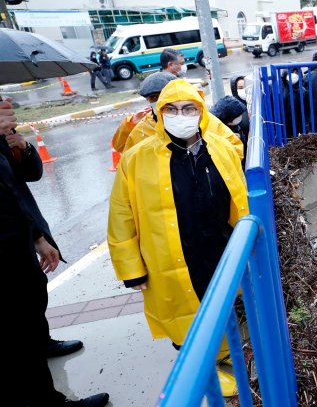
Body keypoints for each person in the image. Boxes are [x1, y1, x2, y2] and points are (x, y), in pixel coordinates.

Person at [107, 80, 248, 398]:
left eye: (188, 108)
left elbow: (238, 197)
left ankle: (222, 357)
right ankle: (201, 366)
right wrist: (132, 270)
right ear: (159, 112)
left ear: (200, 112)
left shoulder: (220, 148)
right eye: (170, 109)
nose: (179, 115)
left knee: (218, 301)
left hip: (216, 245)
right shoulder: (137, 158)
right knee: (182, 311)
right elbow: (121, 216)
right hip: (168, 254)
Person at [2, 100, 109, 407]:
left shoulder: (5, 138)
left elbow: (26, 178)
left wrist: (21, 146)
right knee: (17, 338)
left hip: (19, 239)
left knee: (33, 302)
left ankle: (42, 343)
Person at [110, 72, 244, 159]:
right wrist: (130, 123)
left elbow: (236, 148)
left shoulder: (201, 119)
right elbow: (124, 153)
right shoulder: (142, 128)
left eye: (163, 95)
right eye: (153, 98)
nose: (159, 101)